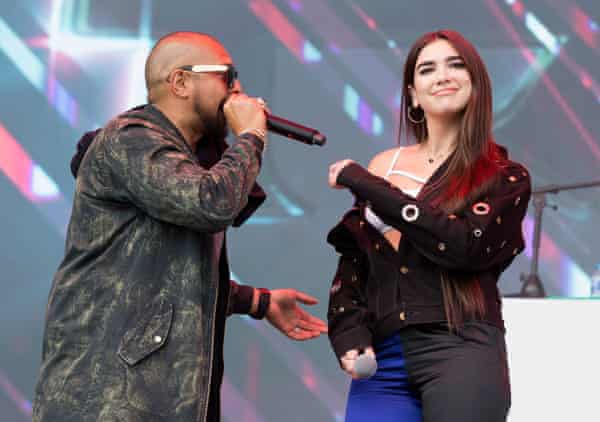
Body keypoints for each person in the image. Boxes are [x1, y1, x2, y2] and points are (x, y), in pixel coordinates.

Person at [32, 31, 327, 422]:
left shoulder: (181, 162)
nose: (238, 89)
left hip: (155, 397)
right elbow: (210, 204)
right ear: (181, 82)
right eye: (227, 75)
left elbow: (169, 285)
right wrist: (252, 135)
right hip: (104, 396)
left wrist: (258, 302)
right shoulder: (130, 138)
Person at [326, 29, 531, 422]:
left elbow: (462, 246)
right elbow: (355, 262)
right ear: (414, 95)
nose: (443, 75)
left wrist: (369, 185)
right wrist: (349, 334)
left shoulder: (504, 176)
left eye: (456, 65)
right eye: (427, 69)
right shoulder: (382, 164)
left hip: (462, 347)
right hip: (383, 359)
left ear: (476, 85)